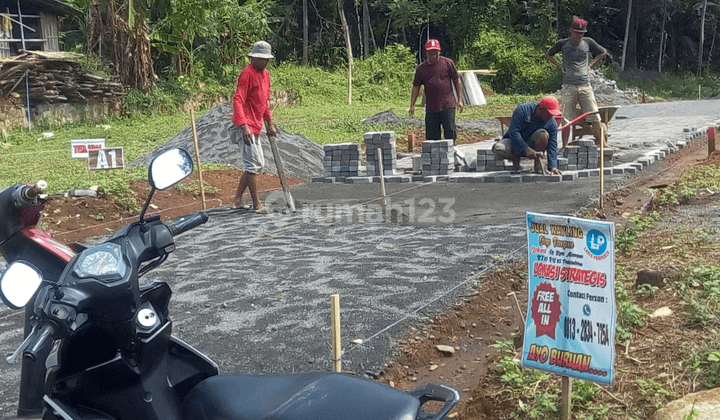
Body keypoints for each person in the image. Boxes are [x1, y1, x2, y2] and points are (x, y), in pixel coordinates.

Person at [544, 17, 608, 148]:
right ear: (570, 31)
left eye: (582, 33)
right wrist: (559, 65)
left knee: (595, 115)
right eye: (576, 32)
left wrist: (590, 65)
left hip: (585, 85)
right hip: (568, 86)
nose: (579, 36)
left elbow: (603, 53)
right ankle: (565, 146)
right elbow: (548, 54)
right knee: (566, 118)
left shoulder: (588, 42)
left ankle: (603, 144)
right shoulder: (563, 43)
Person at [230, 40, 278, 214]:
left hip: (256, 124)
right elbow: (238, 100)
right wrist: (243, 126)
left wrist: (269, 123)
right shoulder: (247, 74)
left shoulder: (265, 75)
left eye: (266, 59)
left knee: (255, 164)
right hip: (245, 126)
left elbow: (264, 101)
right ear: (253, 58)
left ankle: (236, 199)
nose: (263, 62)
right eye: (260, 59)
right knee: (253, 164)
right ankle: (257, 203)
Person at [491, 96, 563, 175]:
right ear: (540, 108)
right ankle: (515, 159)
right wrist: (525, 148)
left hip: (533, 144)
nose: (550, 116)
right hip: (514, 142)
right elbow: (514, 132)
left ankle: (538, 164)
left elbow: (553, 145)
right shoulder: (522, 110)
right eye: (548, 113)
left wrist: (553, 167)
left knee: (543, 135)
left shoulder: (551, 123)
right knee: (499, 149)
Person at [409, 39, 464, 142]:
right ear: (426, 53)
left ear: (439, 52)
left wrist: (460, 99)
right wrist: (412, 105)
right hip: (431, 107)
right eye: (431, 54)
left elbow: (457, 80)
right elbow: (416, 87)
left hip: (447, 105)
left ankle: (451, 154)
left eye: (435, 53)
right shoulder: (421, 68)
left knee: (450, 132)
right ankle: (435, 157)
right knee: (432, 137)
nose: (433, 56)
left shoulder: (447, 63)